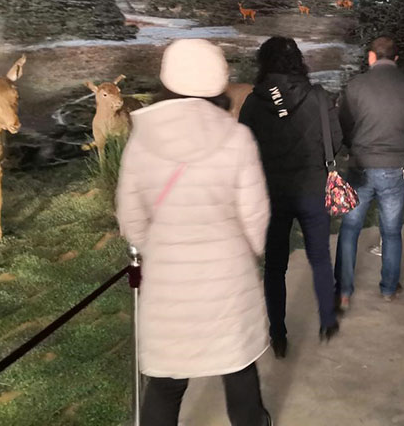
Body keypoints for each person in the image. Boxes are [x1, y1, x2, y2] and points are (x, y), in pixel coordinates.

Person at [116, 39, 272, 426]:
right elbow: (255, 215)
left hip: (169, 280)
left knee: (166, 385)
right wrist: (244, 254)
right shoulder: (237, 136)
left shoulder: (141, 139)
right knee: (238, 371)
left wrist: (161, 249)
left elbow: (131, 218)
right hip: (228, 277)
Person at [239, 37, 341, 359]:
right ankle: (327, 320)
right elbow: (336, 140)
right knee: (320, 257)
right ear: (298, 60)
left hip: (272, 192)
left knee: (274, 266)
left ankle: (278, 335)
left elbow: (243, 149)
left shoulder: (254, 102)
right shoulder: (319, 96)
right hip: (313, 187)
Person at [335, 36, 404, 304]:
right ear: (396, 58)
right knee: (391, 232)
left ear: (371, 57)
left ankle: (343, 291)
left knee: (350, 228)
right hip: (395, 166)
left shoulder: (355, 85)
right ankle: (388, 289)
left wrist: (353, 147)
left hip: (360, 165)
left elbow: (343, 125)